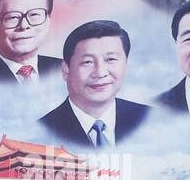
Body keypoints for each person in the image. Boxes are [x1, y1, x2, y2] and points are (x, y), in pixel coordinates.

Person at [38, 19, 150, 148]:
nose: (100, 73)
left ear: (126, 64)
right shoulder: (43, 130)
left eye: (111, 59)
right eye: (87, 62)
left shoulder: (149, 119)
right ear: (65, 69)